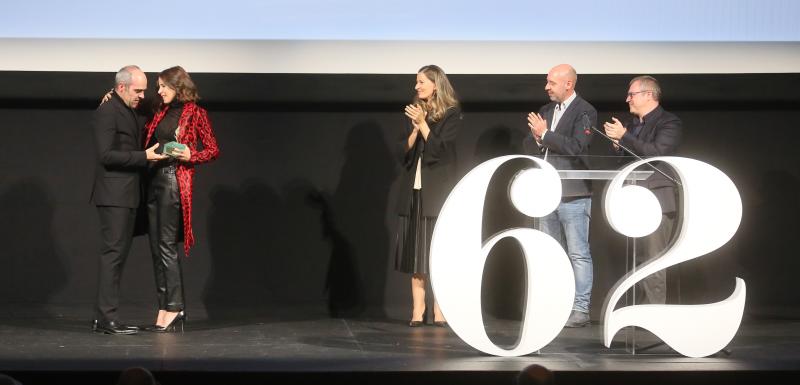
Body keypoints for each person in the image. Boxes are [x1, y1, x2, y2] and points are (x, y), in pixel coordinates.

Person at [142, 66, 219, 332]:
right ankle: (164, 305)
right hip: (152, 179)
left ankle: (175, 307)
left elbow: (212, 149)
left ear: (178, 86)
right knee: (155, 246)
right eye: (158, 86)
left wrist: (191, 156)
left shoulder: (196, 113)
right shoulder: (160, 111)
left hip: (173, 179)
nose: (159, 91)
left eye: (163, 86)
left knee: (165, 246)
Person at [91, 65, 167, 335]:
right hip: (114, 195)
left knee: (118, 257)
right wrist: (143, 157)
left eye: (144, 90)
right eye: (138, 90)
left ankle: (103, 317)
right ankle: (106, 319)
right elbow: (106, 156)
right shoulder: (107, 111)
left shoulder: (127, 105)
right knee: (112, 256)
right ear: (121, 87)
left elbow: (159, 103)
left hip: (128, 194)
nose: (142, 95)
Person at [522, 64, 596, 327]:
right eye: (547, 82)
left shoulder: (585, 111)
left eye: (552, 82)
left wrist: (546, 135)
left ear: (569, 84)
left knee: (578, 253)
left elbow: (576, 147)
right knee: (551, 252)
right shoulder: (545, 111)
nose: (546, 87)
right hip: (546, 193)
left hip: (573, 193)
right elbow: (529, 144)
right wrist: (539, 138)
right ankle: (554, 304)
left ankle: (580, 310)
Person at [603, 75, 682, 304]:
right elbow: (631, 158)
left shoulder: (669, 122)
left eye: (632, 94)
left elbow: (656, 153)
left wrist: (624, 137)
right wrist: (619, 145)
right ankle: (637, 312)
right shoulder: (631, 123)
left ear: (649, 95)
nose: (627, 99)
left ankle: (654, 315)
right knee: (636, 258)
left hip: (656, 199)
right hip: (632, 197)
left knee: (654, 259)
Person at [394, 65, 462, 327]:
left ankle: (440, 311)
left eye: (421, 82)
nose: (416, 86)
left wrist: (423, 124)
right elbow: (404, 154)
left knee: (437, 253)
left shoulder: (452, 114)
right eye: (416, 82)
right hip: (415, 192)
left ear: (436, 84)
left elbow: (439, 152)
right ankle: (417, 311)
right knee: (416, 254)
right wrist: (414, 128)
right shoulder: (417, 112)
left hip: (437, 192)